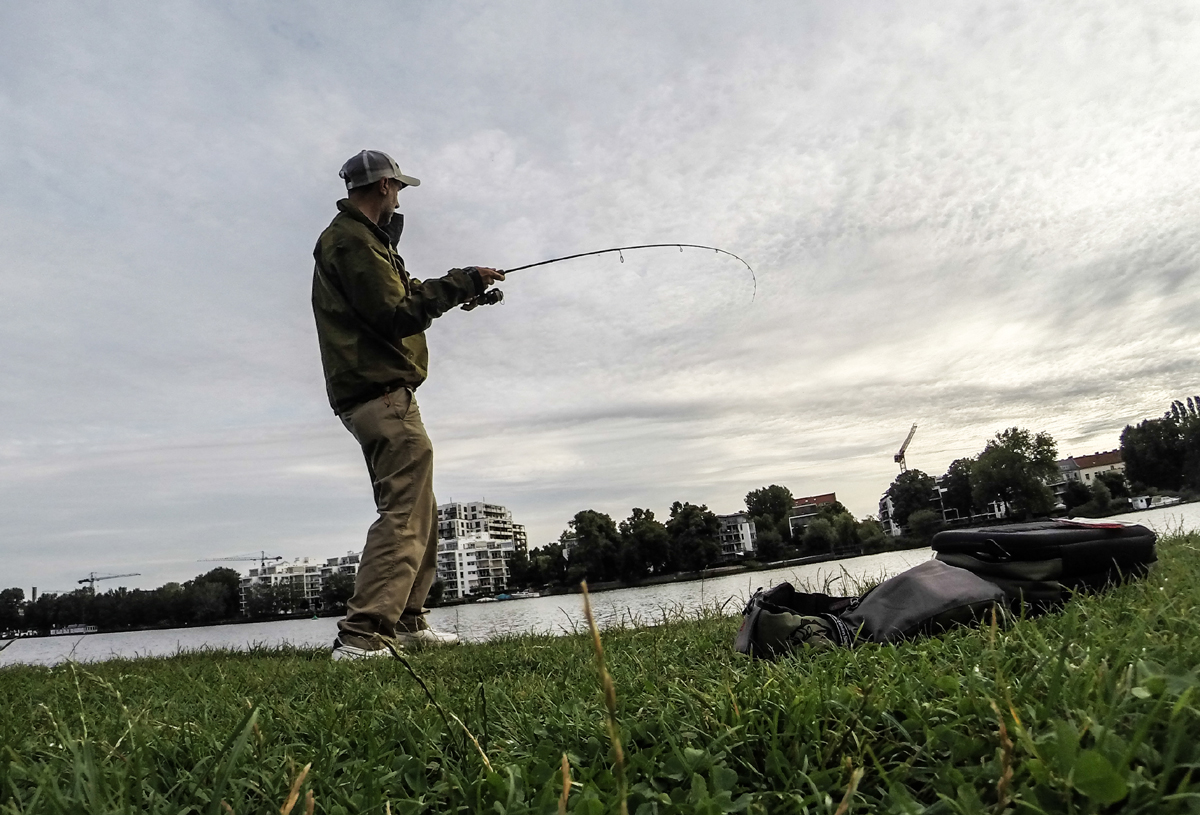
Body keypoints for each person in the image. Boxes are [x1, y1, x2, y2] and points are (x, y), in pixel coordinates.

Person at [312, 149, 504, 660]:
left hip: (385, 393)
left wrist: (465, 288)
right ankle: (363, 636)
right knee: (403, 510)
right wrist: (461, 281)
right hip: (378, 394)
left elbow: (406, 294)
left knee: (421, 507)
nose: (399, 197)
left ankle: (409, 621)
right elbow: (395, 313)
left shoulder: (366, 242)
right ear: (383, 187)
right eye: (398, 188)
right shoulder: (351, 241)